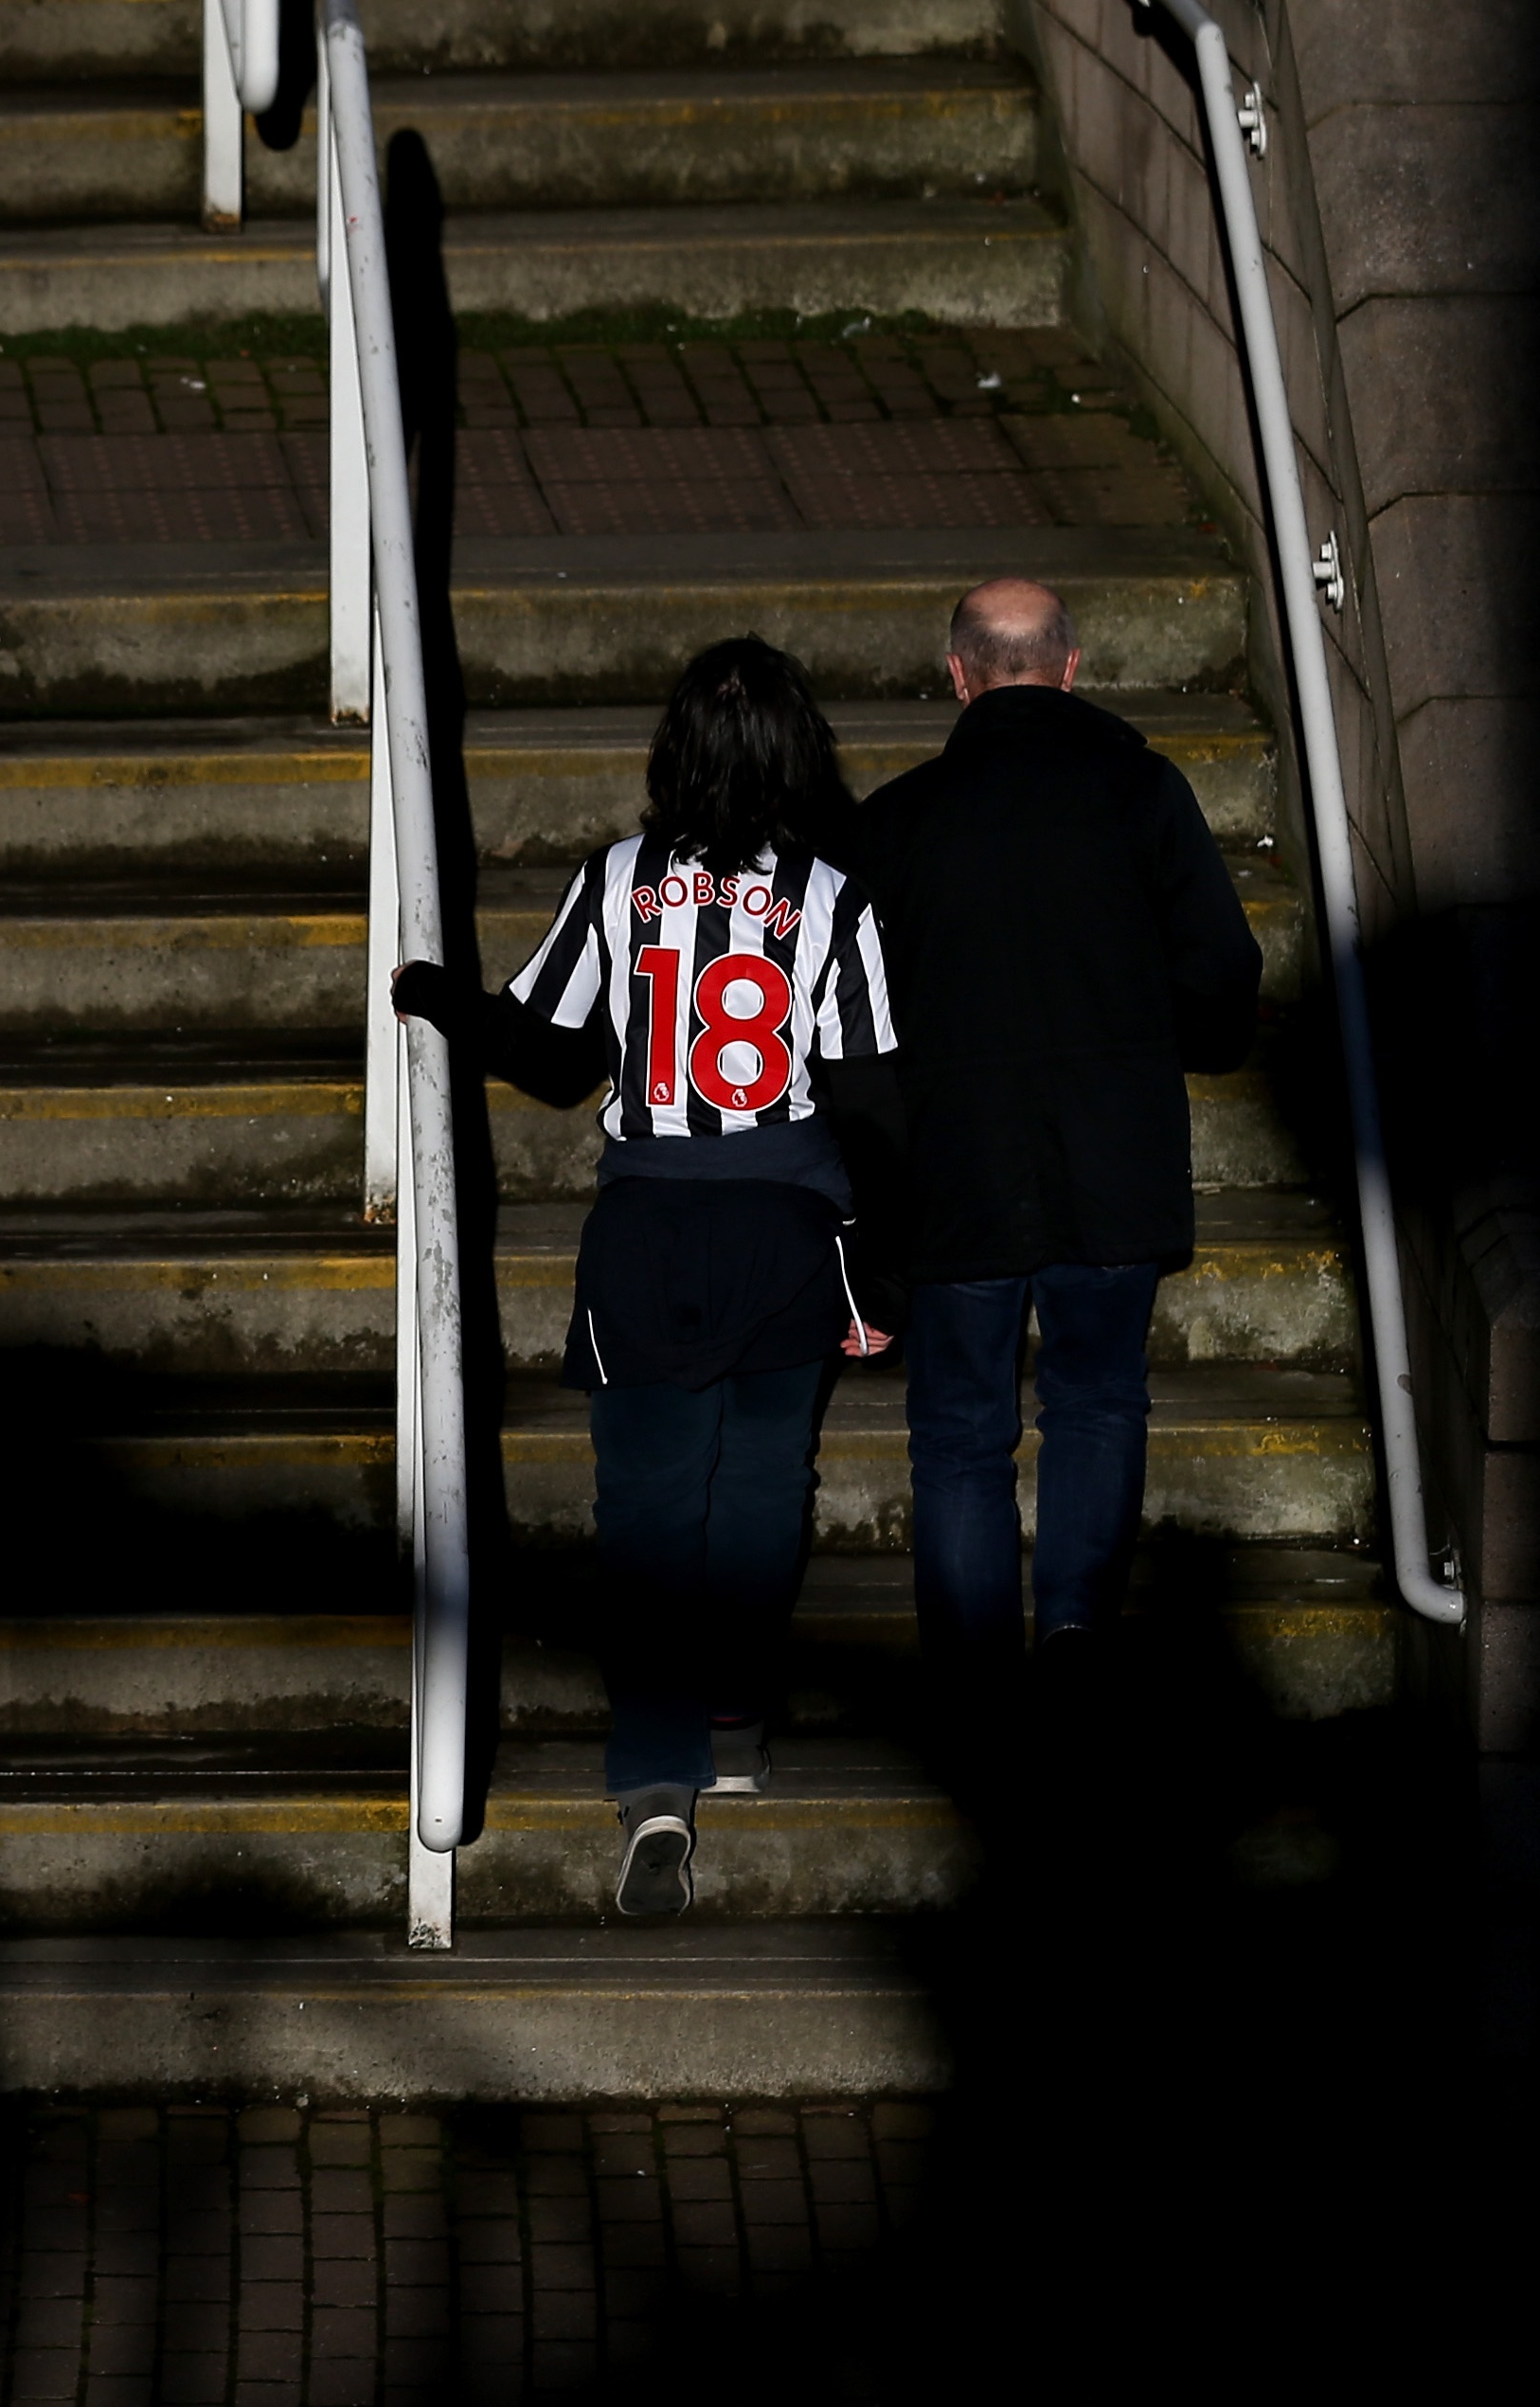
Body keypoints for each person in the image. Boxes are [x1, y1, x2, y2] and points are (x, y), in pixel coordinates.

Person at [390, 637, 902, 1917]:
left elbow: (557, 1056)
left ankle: (657, 1773)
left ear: (672, 750)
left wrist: (433, 993)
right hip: (789, 1228)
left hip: (648, 1229)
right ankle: (734, 1719)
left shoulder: (616, 878)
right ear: (799, 755)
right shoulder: (839, 896)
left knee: (649, 1508)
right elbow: (878, 1098)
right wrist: (881, 1276)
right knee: (764, 1483)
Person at [840, 578, 1262, 1690]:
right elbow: (1224, 983)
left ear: (957, 675)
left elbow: (846, 1028)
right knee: (1096, 1400)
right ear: (1070, 666)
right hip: (1109, 1164)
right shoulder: (1143, 795)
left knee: (959, 1439)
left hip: (953, 1172)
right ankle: (1073, 1635)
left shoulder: (892, 823)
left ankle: (975, 1681)